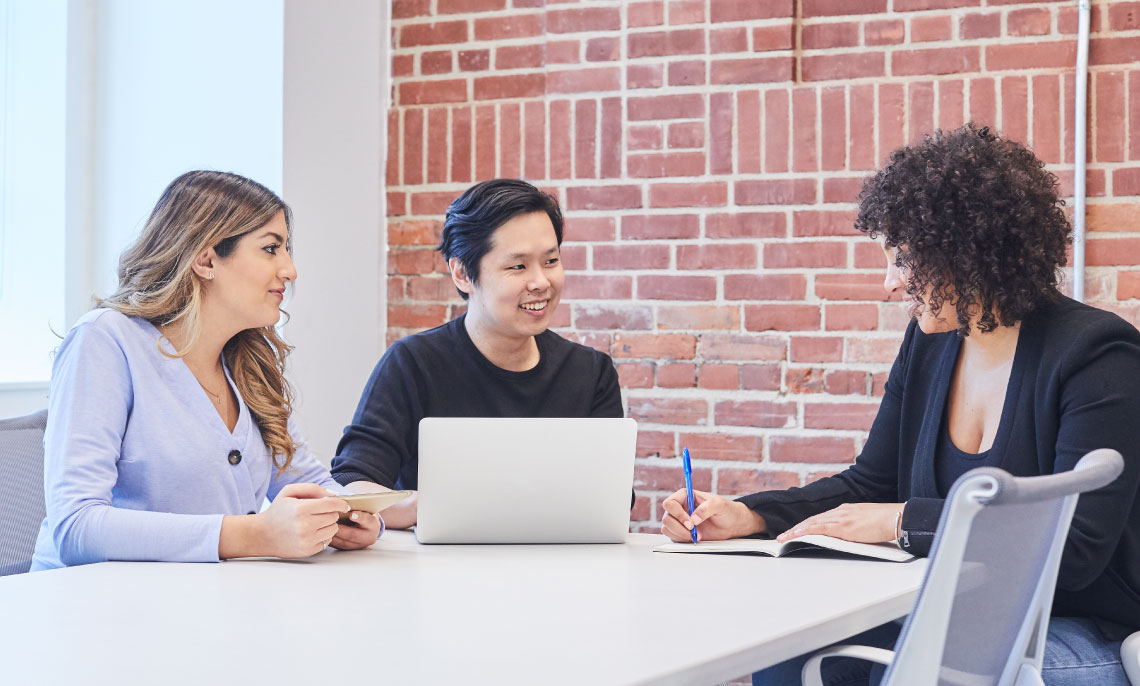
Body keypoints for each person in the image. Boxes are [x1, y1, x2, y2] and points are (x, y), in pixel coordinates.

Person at [661, 124, 1140, 685]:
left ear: (968, 255)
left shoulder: (1099, 355)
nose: (888, 283)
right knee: (788, 656)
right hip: (950, 613)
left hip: (1077, 631)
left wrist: (901, 521)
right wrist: (753, 515)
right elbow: (870, 484)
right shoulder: (931, 344)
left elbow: (1076, 547)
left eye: (903, 260)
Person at [31, 170, 381, 570]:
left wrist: (352, 517)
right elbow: (77, 526)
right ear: (206, 258)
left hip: (207, 606)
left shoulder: (247, 362)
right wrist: (255, 535)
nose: (290, 269)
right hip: (93, 610)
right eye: (271, 249)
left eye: (287, 250)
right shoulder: (104, 341)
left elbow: (312, 483)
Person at [331, 178, 623, 528]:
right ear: (462, 273)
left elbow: (614, 496)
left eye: (550, 261)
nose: (541, 282)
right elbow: (354, 482)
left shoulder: (591, 373)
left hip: (559, 566)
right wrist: (419, 508)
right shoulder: (413, 363)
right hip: (436, 572)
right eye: (518, 266)